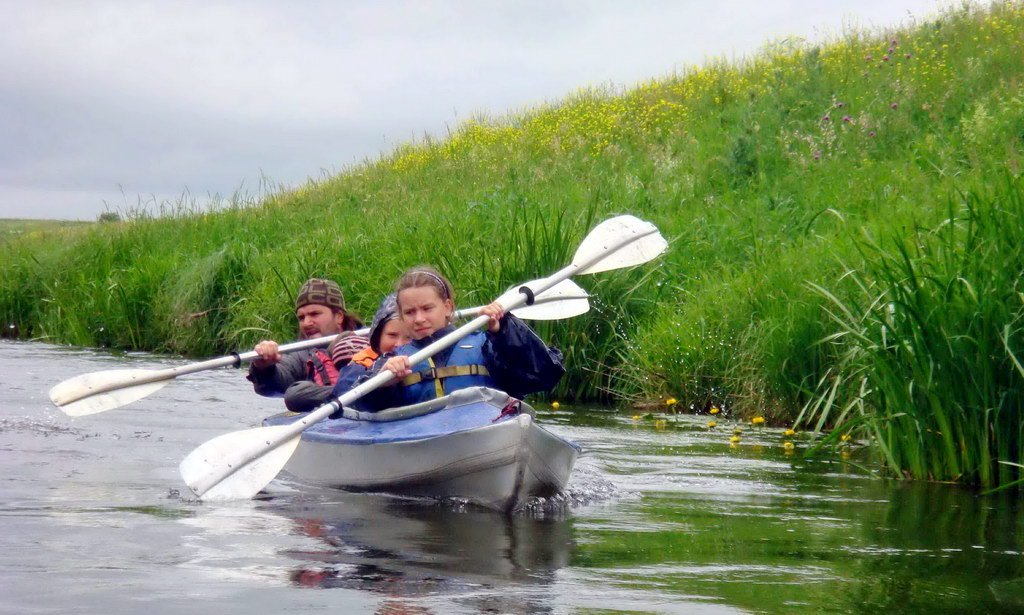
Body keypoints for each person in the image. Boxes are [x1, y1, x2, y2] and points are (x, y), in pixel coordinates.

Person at [352, 267, 564, 412]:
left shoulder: (487, 345)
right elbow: (360, 406)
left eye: (427, 308)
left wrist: (503, 331)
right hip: (423, 442)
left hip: (484, 431)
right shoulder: (393, 360)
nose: (419, 319)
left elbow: (543, 374)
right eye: (409, 312)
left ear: (448, 307)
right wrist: (384, 383)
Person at [247, 277, 367, 411]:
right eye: (301, 318)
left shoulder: (372, 340)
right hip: (333, 410)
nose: (306, 323)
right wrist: (264, 368)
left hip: (379, 403)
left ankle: (365, 394)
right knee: (295, 395)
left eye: (314, 314)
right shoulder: (301, 356)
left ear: (339, 316)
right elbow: (275, 384)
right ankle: (352, 394)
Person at [331, 293, 410, 397]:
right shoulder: (358, 367)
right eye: (392, 335)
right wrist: (380, 382)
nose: (399, 344)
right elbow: (344, 395)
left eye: (409, 337)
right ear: (378, 336)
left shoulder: (428, 355)